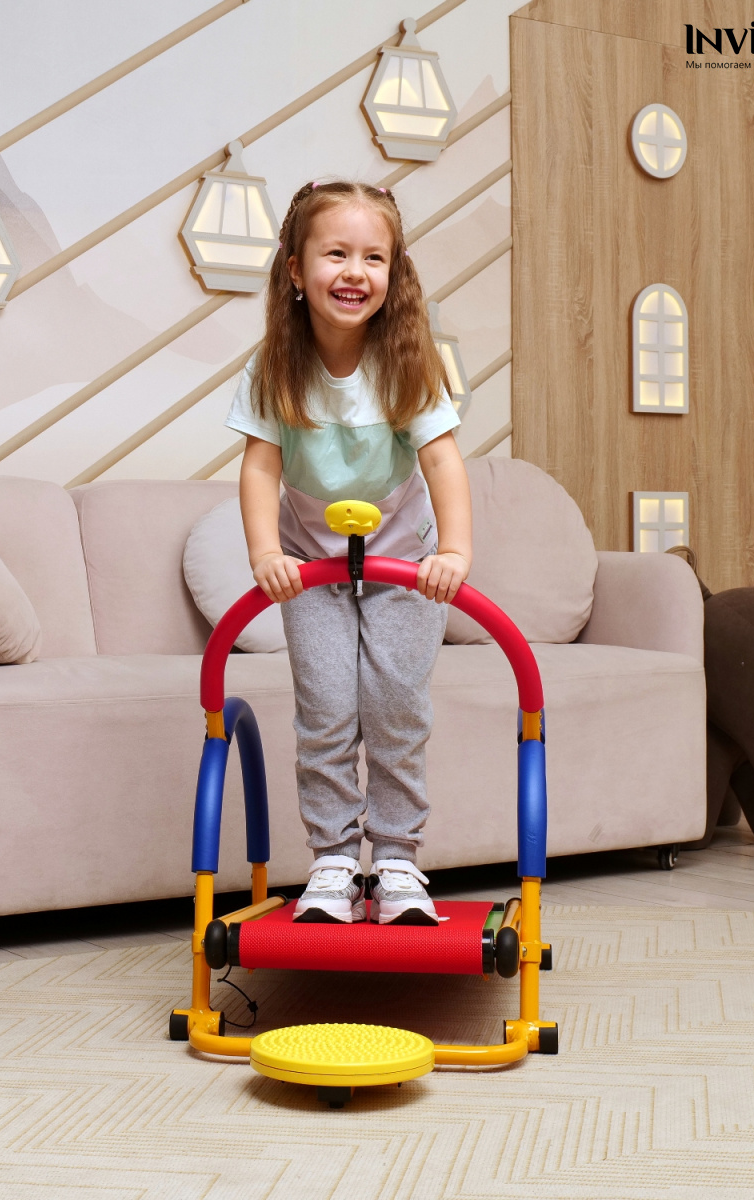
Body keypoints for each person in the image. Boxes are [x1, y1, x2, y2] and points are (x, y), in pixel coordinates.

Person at [225, 180, 472, 926]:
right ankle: (333, 860)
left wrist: (454, 550)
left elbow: (442, 460)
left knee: (395, 709)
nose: (355, 271)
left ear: (394, 272)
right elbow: (260, 468)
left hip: (404, 566)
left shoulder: (407, 360)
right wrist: (265, 553)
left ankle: (395, 858)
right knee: (328, 710)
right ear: (296, 270)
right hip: (313, 565)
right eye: (335, 253)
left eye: (374, 257)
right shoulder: (275, 365)